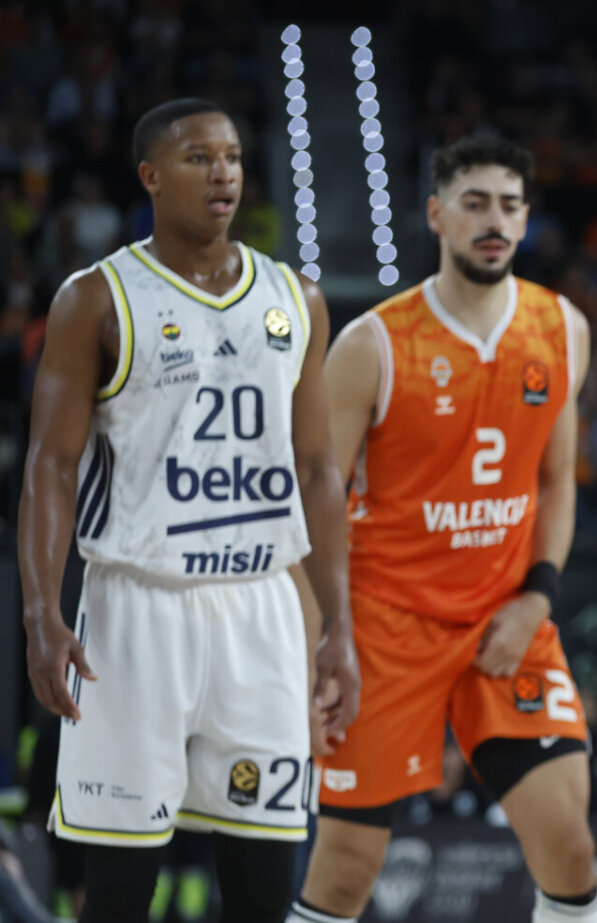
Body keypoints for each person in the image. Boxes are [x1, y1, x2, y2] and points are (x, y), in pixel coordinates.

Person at [17, 98, 360, 923]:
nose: (224, 174)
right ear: (151, 176)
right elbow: (50, 465)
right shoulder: (95, 298)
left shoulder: (297, 298)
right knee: (122, 888)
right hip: (138, 605)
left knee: (261, 880)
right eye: (200, 158)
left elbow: (317, 467)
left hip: (262, 609)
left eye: (234, 158)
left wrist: (339, 624)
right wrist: (40, 610)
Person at [290, 134, 597, 923]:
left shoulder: (562, 326)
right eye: (474, 203)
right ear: (436, 215)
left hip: (504, 620)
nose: (493, 221)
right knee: (345, 872)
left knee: (569, 845)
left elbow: (557, 481)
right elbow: (307, 511)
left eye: (508, 205)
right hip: (384, 626)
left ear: (527, 220)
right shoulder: (372, 345)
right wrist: (312, 654)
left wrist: (538, 597)